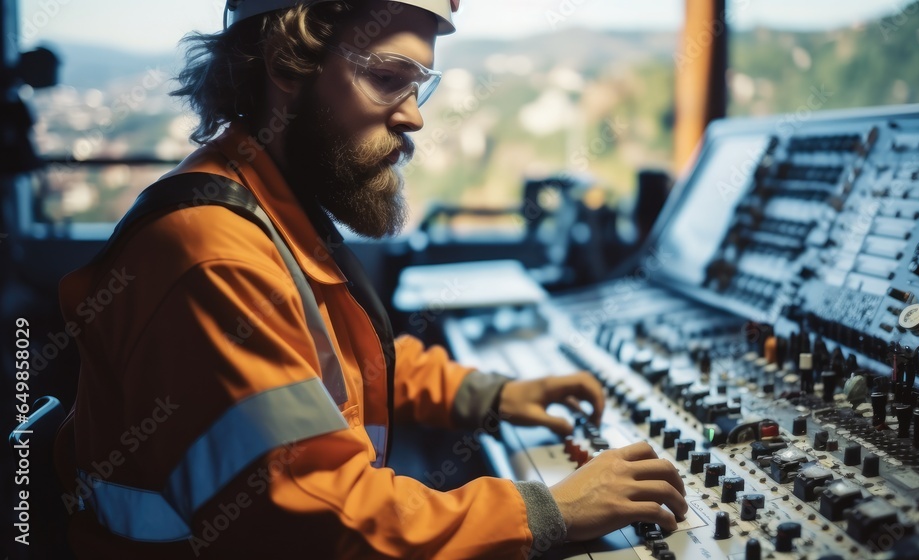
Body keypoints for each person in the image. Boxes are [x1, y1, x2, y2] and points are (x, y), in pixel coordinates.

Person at [55, 1, 688, 557]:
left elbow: (339, 370)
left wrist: (487, 396)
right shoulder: (211, 253)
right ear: (285, 64)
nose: (413, 118)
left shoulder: (267, 201)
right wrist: (551, 511)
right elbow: (316, 523)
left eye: (420, 86)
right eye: (387, 79)